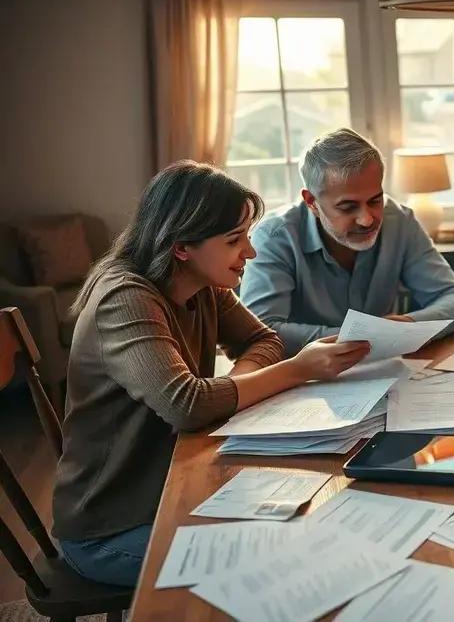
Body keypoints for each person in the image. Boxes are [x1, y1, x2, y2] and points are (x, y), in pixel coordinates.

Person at [53, 161, 371, 586]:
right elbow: (187, 406)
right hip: (110, 527)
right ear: (183, 246)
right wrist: (296, 371)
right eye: (234, 240)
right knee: (285, 561)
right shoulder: (125, 298)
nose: (251, 253)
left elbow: (265, 341)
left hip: (171, 490)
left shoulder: (204, 285)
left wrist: (233, 387)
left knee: (309, 526)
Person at [240, 128, 454, 356]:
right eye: (348, 206)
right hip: (301, 381)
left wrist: (405, 325)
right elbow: (259, 331)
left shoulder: (399, 220)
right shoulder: (274, 236)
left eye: (375, 200)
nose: (367, 219)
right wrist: (366, 338)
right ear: (311, 201)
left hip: (384, 372)